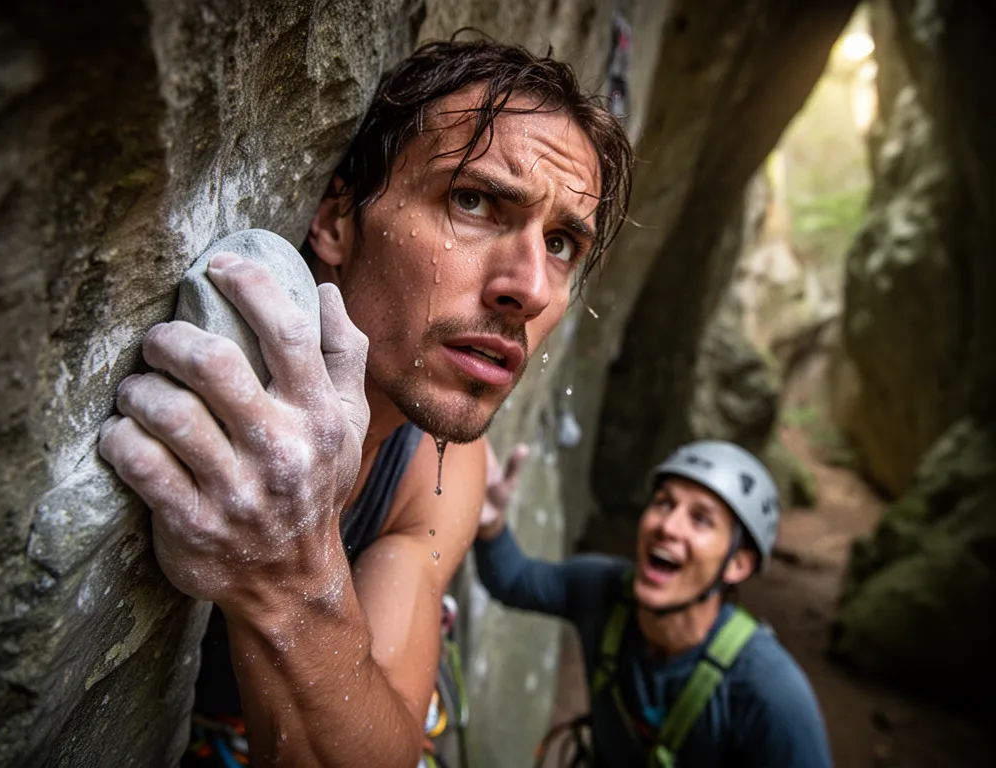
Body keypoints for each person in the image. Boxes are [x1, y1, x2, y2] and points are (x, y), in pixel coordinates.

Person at [97, 35, 633, 768]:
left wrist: (292, 573)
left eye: (564, 243)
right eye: (473, 201)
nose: (530, 287)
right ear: (336, 219)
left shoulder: (440, 471)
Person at [475, 440, 833, 767]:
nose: (669, 526)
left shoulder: (772, 694)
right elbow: (515, 582)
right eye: (664, 503)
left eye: (701, 519)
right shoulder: (602, 590)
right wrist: (490, 521)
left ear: (738, 564)